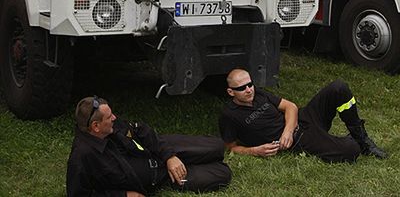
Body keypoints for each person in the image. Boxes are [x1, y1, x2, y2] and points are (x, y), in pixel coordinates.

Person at [67, 96, 231, 197]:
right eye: (109, 117)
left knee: (217, 146)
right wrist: (123, 195)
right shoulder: (82, 157)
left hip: (160, 149)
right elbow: (80, 195)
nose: (115, 117)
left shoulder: (111, 124)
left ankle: (181, 157)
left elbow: (141, 130)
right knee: (223, 174)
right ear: (95, 126)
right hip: (160, 177)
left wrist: (169, 156)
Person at [219, 68, 387, 163]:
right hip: (299, 140)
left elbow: (290, 106)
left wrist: (287, 131)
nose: (248, 90)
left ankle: (362, 139)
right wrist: (255, 150)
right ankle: (354, 143)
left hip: (302, 120)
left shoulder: (259, 94)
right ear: (230, 92)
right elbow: (231, 147)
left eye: (250, 84)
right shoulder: (229, 116)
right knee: (350, 150)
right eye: (242, 88)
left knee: (338, 87)